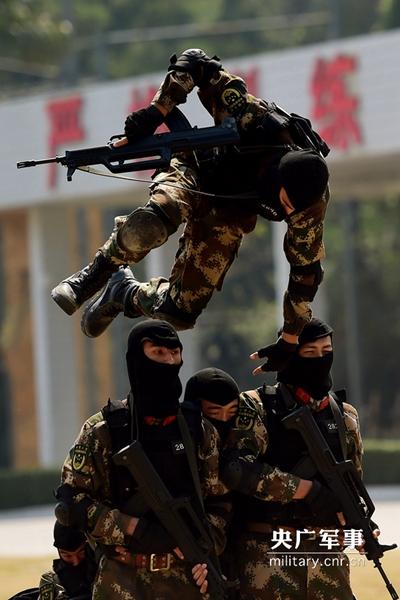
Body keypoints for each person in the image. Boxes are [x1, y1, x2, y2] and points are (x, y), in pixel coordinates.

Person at [52, 48, 330, 372]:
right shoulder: (255, 121)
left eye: (292, 210)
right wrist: (157, 111)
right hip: (198, 168)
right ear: (275, 175)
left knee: (178, 313)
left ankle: (123, 291)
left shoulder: (309, 206)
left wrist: (290, 340)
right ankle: (95, 274)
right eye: (284, 202)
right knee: (154, 221)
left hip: (230, 211)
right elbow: (196, 64)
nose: (287, 212)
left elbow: (305, 274)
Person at [55, 319, 231, 600]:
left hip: (187, 578)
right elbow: (71, 504)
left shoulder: (198, 430)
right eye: (158, 352)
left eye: (175, 353)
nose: (169, 361)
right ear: (136, 358)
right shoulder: (104, 430)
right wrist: (134, 529)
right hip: (121, 580)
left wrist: (204, 548)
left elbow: (219, 500)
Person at [219, 317, 375, 600]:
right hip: (269, 558)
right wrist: (308, 491)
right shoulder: (257, 406)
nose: (320, 359)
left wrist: (359, 524)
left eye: (326, 351)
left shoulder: (345, 415)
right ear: (290, 355)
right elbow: (237, 468)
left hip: (328, 561)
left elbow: (351, 484)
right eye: (309, 352)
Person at [38, 521, 96, 600]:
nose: (76, 562)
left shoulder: (105, 571)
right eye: (67, 556)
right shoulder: (52, 582)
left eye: (82, 553)